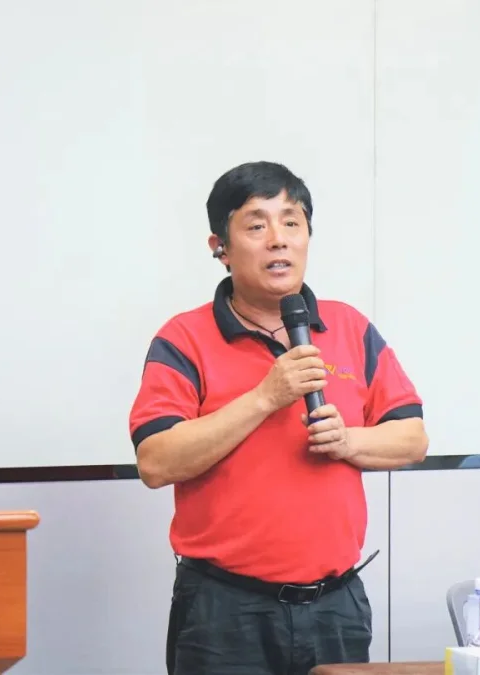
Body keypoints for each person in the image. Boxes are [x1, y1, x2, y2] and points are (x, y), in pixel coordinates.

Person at [128, 161, 428, 675]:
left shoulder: (349, 327)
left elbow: (413, 437)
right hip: (225, 611)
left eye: (292, 222)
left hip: (336, 606)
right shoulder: (183, 338)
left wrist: (349, 442)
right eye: (256, 225)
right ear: (220, 248)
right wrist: (264, 398)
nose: (278, 240)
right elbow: (156, 462)